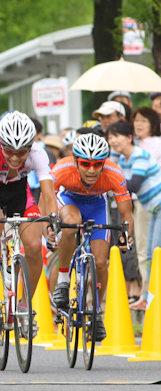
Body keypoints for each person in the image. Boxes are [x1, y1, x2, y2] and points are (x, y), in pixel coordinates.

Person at [0, 112, 57, 326]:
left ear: (31, 146)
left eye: (22, 152)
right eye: (9, 150)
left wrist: (52, 224)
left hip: (20, 192)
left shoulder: (38, 152)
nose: (16, 157)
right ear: (0, 143)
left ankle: (25, 305)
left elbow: (48, 194)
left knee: (35, 246)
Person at [51, 134, 134, 341]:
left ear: (104, 163)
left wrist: (125, 237)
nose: (91, 170)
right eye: (86, 164)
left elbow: (126, 215)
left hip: (97, 205)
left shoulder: (114, 174)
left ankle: (96, 311)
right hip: (69, 199)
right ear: (76, 161)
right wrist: (49, 227)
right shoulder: (62, 169)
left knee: (99, 263)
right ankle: (63, 281)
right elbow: (46, 198)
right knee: (71, 223)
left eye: (98, 164)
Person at [107, 121, 161, 311]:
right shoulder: (123, 161)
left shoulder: (139, 155)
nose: (112, 140)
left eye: (117, 136)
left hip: (158, 206)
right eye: (110, 137)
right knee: (147, 253)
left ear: (129, 137)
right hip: (153, 209)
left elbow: (134, 185)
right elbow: (123, 192)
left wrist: (111, 182)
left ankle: (150, 296)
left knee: (152, 252)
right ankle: (148, 296)